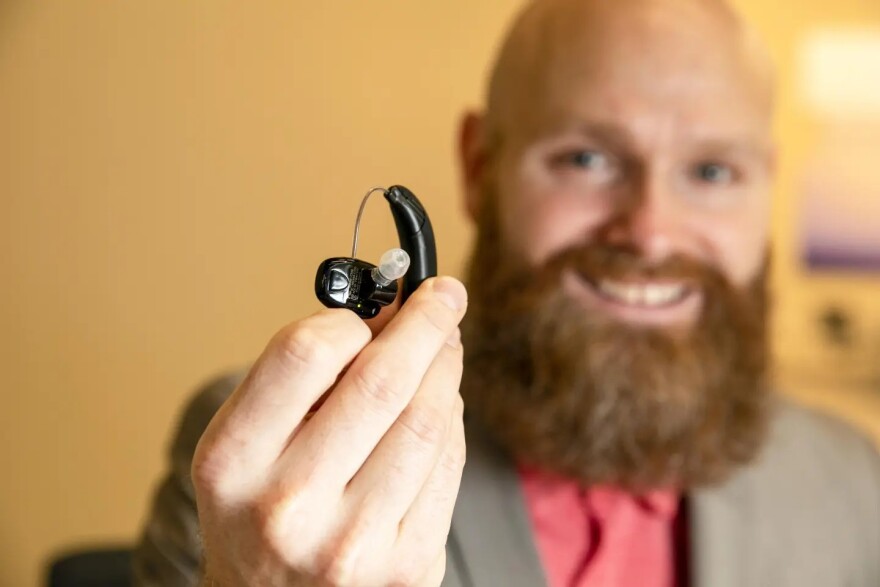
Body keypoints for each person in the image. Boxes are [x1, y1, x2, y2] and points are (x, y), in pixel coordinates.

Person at [133, 0, 880, 585]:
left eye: (713, 172)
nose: (651, 231)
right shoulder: (274, 470)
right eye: (585, 157)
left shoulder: (854, 483)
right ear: (478, 166)